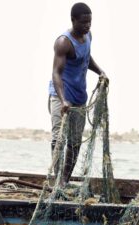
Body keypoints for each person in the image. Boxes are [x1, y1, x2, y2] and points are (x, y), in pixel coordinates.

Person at [48, 2, 108, 185]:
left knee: (74, 143)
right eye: (83, 22)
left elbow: (86, 58)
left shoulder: (88, 35)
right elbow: (56, 73)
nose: (87, 26)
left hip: (79, 97)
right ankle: (55, 179)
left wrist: (101, 72)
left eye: (89, 22)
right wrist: (63, 99)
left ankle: (64, 180)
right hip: (60, 96)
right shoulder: (63, 42)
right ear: (73, 20)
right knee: (59, 139)